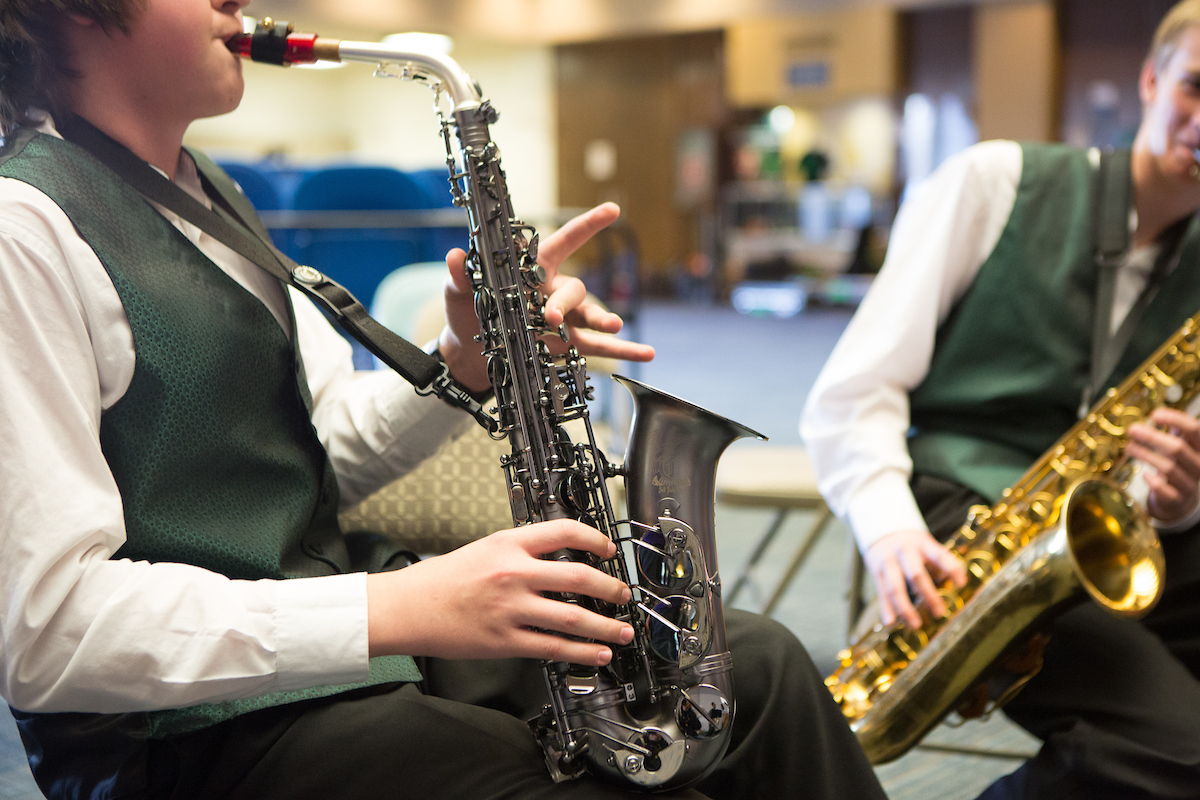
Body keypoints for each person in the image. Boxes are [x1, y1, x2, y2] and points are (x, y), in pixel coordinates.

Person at [0, 1, 887, 798]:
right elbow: (47, 636)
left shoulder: (207, 192)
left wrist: (466, 358)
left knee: (759, 669)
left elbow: (331, 444)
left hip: (337, 639)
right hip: (181, 732)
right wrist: (402, 606)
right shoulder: (23, 233)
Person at [802, 1, 1200, 797]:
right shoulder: (994, 180)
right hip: (962, 516)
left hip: (1112, 532)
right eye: (1196, 87)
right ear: (1151, 80)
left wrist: (1186, 498)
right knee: (1183, 750)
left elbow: (1177, 487)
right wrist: (888, 536)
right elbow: (852, 393)